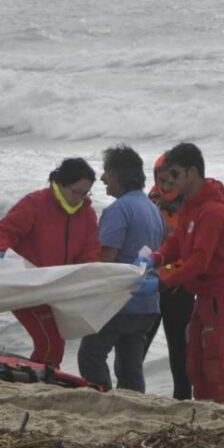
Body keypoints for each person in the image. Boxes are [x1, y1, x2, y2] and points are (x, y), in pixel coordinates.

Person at [134, 143, 224, 403]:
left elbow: (199, 261)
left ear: (191, 173)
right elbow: (178, 241)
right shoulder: (191, 206)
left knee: (215, 361)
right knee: (193, 362)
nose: (170, 182)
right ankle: (206, 412)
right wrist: (156, 258)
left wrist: (161, 284)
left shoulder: (213, 211)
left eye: (175, 175)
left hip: (222, 294)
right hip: (203, 293)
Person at [0, 158, 101, 367]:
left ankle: (38, 374)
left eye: (85, 193)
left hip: (57, 291)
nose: (79, 198)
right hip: (25, 287)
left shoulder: (87, 213)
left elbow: (90, 253)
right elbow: (2, 232)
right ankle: (43, 381)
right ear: (60, 183)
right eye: (75, 191)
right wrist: (3, 253)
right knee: (50, 340)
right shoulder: (36, 203)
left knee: (53, 341)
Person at [76, 146, 163, 392]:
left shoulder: (118, 210)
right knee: (130, 366)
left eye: (106, 172)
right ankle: (132, 405)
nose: (102, 178)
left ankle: (102, 401)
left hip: (120, 302)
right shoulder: (152, 209)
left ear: (118, 174)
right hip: (148, 304)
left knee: (91, 356)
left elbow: (108, 261)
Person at [144, 153, 195, 400]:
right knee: (136, 349)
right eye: (161, 180)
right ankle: (128, 395)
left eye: (170, 181)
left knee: (181, 353)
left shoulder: (197, 205)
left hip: (180, 288)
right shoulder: (150, 200)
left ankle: (183, 402)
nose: (165, 187)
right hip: (152, 286)